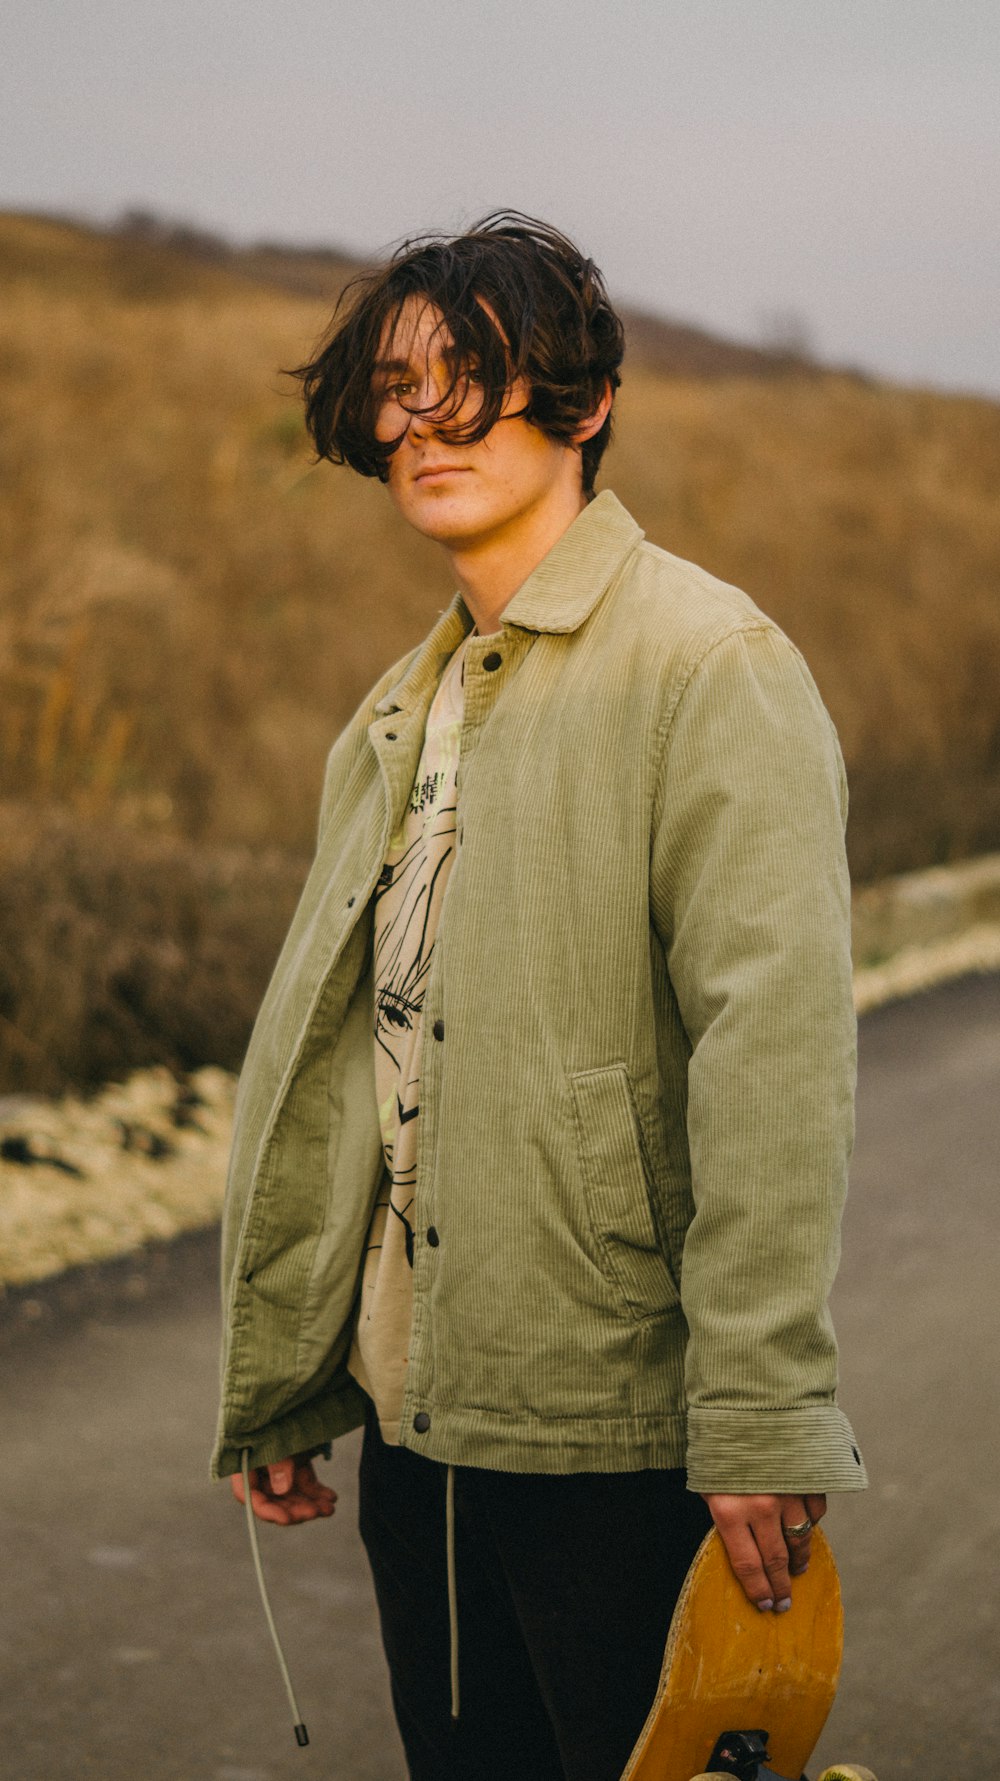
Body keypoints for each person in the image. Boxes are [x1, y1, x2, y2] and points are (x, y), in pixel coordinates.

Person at [212, 212, 866, 1780]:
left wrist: (762, 1416)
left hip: (614, 1434)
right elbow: (351, 1067)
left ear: (582, 401)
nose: (421, 426)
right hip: (420, 1427)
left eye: (471, 384)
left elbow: (772, 1058)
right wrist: (294, 1371)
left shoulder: (710, 665)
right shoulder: (401, 703)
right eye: (395, 391)